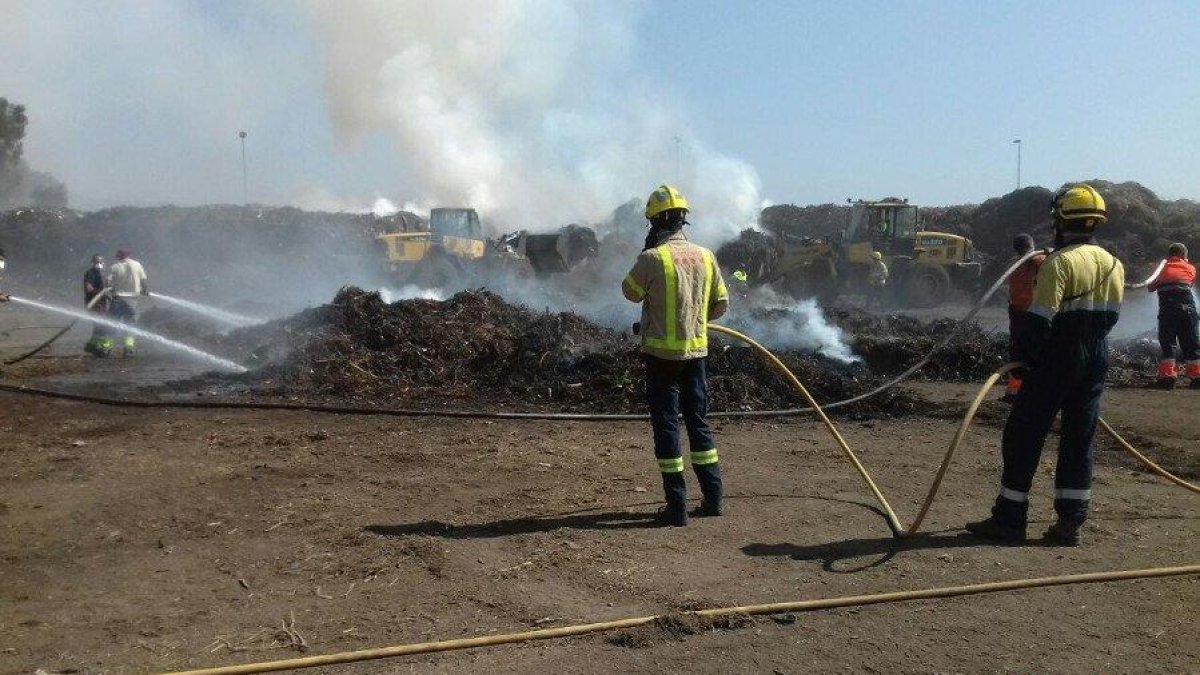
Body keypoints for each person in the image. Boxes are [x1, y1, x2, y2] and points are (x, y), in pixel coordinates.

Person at [966, 184, 1124, 546]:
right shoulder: (1114, 264)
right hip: (1096, 356)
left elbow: (1039, 320)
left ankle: (1010, 518)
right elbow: (1113, 316)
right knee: (1079, 438)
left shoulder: (1059, 263)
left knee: (1024, 432)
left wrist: (1027, 360)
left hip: (1058, 356)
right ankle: (1070, 523)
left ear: (1061, 220)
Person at [622, 185, 729, 527]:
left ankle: (677, 507)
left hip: (661, 360)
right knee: (699, 423)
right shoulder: (706, 256)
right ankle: (713, 499)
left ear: (655, 223)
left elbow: (629, 292)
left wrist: (646, 253)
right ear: (683, 221)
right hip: (696, 356)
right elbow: (721, 304)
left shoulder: (653, 259)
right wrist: (693, 321)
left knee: (668, 426)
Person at [1147, 242, 1198, 389]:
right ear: (1183, 255)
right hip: (1188, 309)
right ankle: (1197, 377)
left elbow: (1150, 287)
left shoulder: (1161, 269)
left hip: (1169, 310)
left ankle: (1167, 378)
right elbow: (1189, 283)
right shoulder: (1190, 268)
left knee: (1168, 343)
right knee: (1191, 343)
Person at [1002, 234, 1047, 402]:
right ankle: (1034, 392)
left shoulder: (1013, 265)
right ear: (1032, 245)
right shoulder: (1039, 261)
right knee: (1037, 354)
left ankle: (1014, 392)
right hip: (1033, 314)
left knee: (1018, 353)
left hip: (1016, 313)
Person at [106, 249, 149, 357]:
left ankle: (107, 349)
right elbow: (143, 280)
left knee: (112, 324)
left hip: (117, 299)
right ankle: (128, 349)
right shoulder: (137, 264)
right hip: (131, 301)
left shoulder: (114, 267)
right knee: (130, 326)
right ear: (128, 255)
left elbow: (108, 282)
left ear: (118, 256)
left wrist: (112, 290)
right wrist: (144, 290)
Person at [83, 254, 114, 357]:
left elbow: (106, 286)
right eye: (97, 262)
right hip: (95, 303)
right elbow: (89, 288)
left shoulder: (102, 273)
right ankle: (100, 348)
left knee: (99, 325)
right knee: (102, 325)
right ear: (93, 262)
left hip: (101, 303)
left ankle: (92, 345)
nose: (99, 264)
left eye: (101, 262)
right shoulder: (91, 273)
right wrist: (101, 293)